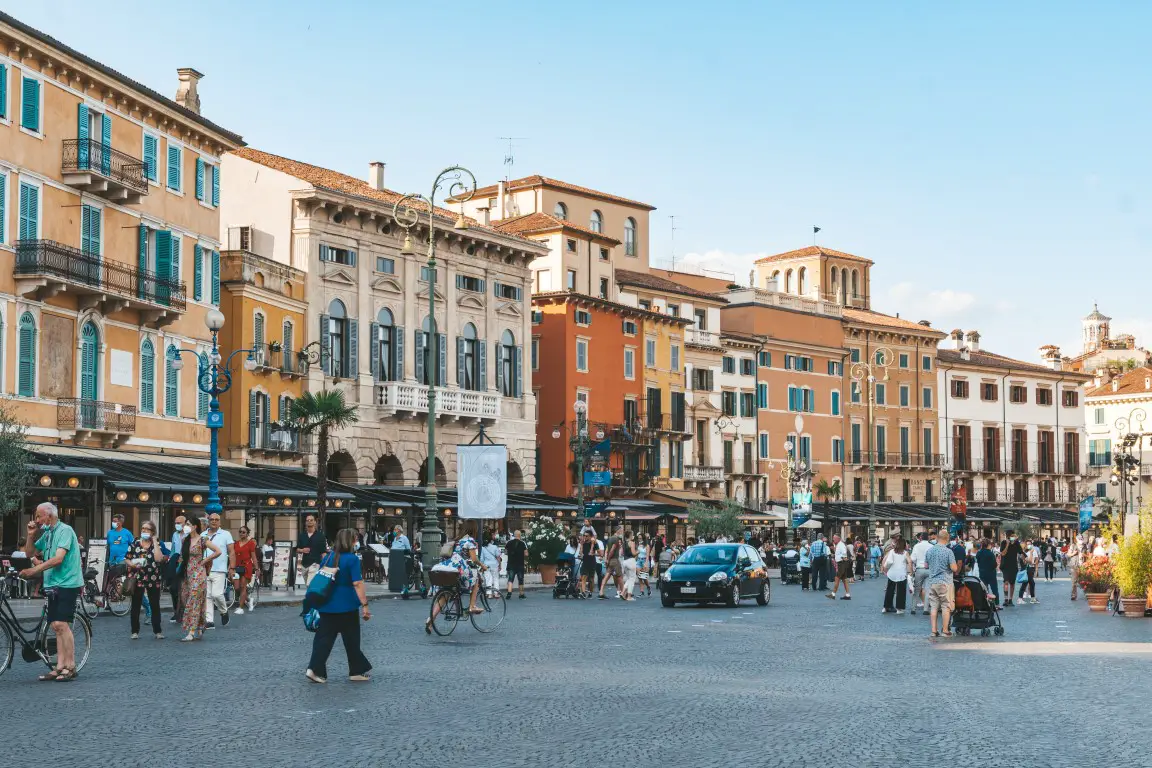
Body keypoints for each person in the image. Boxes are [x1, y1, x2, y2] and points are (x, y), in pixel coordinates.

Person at [20, 502, 83, 681]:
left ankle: (71, 666)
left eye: (39, 516)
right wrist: (31, 536)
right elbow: (29, 553)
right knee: (56, 626)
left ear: (49, 515)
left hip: (67, 583)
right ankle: (60, 666)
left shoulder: (65, 530)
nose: (37, 520)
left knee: (62, 625)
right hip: (52, 583)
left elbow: (58, 559)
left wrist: (34, 571)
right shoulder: (47, 533)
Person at [306, 528, 372, 684]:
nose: (356, 542)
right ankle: (356, 670)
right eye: (355, 540)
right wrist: (365, 606)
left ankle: (314, 669)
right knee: (352, 639)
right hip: (347, 605)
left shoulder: (328, 557)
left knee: (323, 639)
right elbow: (357, 583)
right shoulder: (352, 559)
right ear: (350, 541)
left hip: (327, 604)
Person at [424, 522, 486, 633]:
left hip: (449, 567)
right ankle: (472, 606)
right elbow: (474, 559)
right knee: (476, 579)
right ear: (473, 530)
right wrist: (482, 565)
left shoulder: (458, 540)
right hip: (460, 568)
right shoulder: (470, 541)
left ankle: (430, 619)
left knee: (445, 596)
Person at [180, 518, 222, 642]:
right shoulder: (185, 540)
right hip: (188, 573)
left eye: (188, 524)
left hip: (199, 573)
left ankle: (191, 631)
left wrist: (205, 560)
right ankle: (200, 625)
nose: (185, 526)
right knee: (188, 599)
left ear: (195, 526)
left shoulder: (203, 540)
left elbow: (218, 551)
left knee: (193, 600)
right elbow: (183, 557)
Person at [126, 520, 167, 639]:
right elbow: (127, 558)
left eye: (147, 529)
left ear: (152, 532)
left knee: (155, 604)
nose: (143, 530)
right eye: (142, 528)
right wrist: (132, 565)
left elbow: (159, 559)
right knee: (136, 605)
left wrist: (154, 541)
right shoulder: (135, 543)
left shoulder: (157, 543)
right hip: (137, 577)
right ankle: (134, 631)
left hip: (153, 577)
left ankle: (157, 631)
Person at [925, 528, 959, 638]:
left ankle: (933, 631)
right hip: (945, 582)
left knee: (934, 607)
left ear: (938, 538)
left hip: (932, 582)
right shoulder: (949, 552)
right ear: (947, 539)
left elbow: (926, 566)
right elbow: (954, 568)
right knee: (946, 606)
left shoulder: (929, 550)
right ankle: (945, 630)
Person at [203, 513, 235, 628]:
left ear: (220, 522)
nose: (214, 521)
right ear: (208, 521)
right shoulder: (203, 535)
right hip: (205, 569)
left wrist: (232, 567)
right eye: (212, 519)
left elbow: (231, 552)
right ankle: (209, 620)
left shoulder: (226, 534)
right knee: (207, 595)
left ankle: (223, 610)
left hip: (219, 569)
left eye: (217, 520)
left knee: (217, 594)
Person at [881, 537, 912, 614]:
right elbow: (910, 562)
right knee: (901, 591)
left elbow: (886, 560)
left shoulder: (892, 551)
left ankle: (886, 607)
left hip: (892, 573)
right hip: (901, 574)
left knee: (889, 590)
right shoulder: (905, 553)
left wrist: (884, 568)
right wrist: (910, 571)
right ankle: (899, 609)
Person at [232, 525, 258, 614]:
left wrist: (257, 568)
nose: (241, 533)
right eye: (240, 532)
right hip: (237, 567)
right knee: (236, 587)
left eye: (243, 532)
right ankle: (249, 599)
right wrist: (230, 568)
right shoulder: (235, 544)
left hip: (247, 567)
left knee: (243, 586)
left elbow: (254, 557)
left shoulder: (251, 543)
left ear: (247, 534)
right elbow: (233, 557)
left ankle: (240, 608)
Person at [296, 514, 327, 588]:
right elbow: (297, 549)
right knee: (308, 585)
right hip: (304, 564)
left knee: (309, 584)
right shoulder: (302, 535)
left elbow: (323, 552)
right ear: (305, 523)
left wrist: (325, 564)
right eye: (307, 520)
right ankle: (311, 597)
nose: (309, 521)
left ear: (315, 522)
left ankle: (311, 598)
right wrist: (302, 550)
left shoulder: (320, 536)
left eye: (311, 520)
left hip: (315, 563)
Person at [166, 514, 186, 626]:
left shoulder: (188, 534)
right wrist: (171, 560)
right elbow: (173, 548)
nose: (177, 525)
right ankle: (176, 611)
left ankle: (183, 611)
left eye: (179, 523)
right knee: (173, 589)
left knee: (183, 589)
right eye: (176, 523)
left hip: (185, 564)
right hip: (176, 563)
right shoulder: (175, 534)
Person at [999, 530, 1024, 607]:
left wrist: (1026, 559)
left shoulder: (1016, 543)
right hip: (1005, 565)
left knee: (1012, 584)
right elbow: (1003, 553)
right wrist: (1007, 544)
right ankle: (1006, 600)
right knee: (1006, 582)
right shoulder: (1003, 542)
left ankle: (1010, 600)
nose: (1012, 537)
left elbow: (1021, 552)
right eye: (1011, 536)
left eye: (1013, 536)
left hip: (1013, 566)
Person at [599, 526, 625, 600]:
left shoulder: (610, 538)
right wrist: (608, 558)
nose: (621, 531)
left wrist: (607, 559)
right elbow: (612, 550)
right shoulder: (616, 539)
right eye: (621, 530)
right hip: (614, 560)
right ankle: (623, 593)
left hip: (610, 560)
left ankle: (601, 592)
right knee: (620, 577)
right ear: (618, 530)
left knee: (606, 576)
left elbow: (608, 549)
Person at [910, 532, 933, 615]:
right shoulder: (931, 546)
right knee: (927, 590)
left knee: (917, 589)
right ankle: (926, 609)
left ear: (920, 538)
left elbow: (913, 558)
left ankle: (913, 608)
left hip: (919, 569)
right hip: (929, 569)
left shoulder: (916, 546)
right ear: (928, 538)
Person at [975, 538, 1000, 605]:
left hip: (982, 573)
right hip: (991, 573)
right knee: (994, 589)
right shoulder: (990, 553)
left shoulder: (979, 553)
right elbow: (994, 564)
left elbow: (978, 561)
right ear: (988, 545)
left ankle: (984, 604)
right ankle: (996, 604)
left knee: (984, 589)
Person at [827, 534, 852, 600]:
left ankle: (833, 594)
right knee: (844, 579)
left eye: (834, 538)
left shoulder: (841, 545)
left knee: (837, 578)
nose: (833, 539)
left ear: (838, 539)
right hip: (842, 563)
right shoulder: (839, 545)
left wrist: (842, 560)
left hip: (841, 563)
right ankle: (847, 594)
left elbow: (844, 553)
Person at [504, 529, 528, 600]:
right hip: (520, 564)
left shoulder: (509, 542)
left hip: (511, 564)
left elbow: (505, 552)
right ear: (520, 535)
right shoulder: (523, 543)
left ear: (514, 535)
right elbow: (526, 553)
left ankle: (509, 593)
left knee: (510, 579)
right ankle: (521, 594)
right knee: (520, 579)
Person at [1018, 538, 1039, 604]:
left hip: (1029, 569)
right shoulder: (1023, 553)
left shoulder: (1023, 553)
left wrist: (1035, 567)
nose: (1028, 546)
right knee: (1028, 583)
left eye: (1029, 544)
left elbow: (1034, 560)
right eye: (1026, 544)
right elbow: (1029, 561)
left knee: (1028, 584)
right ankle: (1021, 598)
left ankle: (1029, 598)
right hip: (1027, 569)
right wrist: (1031, 553)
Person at [619, 530, 638, 601]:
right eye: (632, 534)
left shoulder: (624, 543)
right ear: (630, 535)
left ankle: (623, 592)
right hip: (631, 561)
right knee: (632, 579)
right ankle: (629, 596)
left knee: (628, 578)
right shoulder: (631, 543)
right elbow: (633, 553)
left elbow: (621, 553)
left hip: (625, 561)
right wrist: (638, 552)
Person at [579, 531, 599, 597]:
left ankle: (590, 592)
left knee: (591, 579)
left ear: (590, 536)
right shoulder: (583, 543)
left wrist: (593, 554)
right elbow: (581, 553)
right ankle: (583, 592)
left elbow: (600, 553)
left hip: (592, 562)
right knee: (583, 577)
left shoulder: (594, 543)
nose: (585, 537)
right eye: (584, 535)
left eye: (587, 536)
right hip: (584, 562)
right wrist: (581, 547)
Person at [1067, 534, 1083, 601]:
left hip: (1083, 566)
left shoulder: (1084, 546)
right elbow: (1068, 554)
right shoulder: (1073, 546)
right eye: (1079, 539)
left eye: (1081, 539)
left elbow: (1088, 554)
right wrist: (1074, 553)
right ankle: (1073, 595)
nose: (1081, 540)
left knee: (1086, 581)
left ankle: (1088, 594)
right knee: (1074, 582)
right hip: (1074, 566)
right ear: (1077, 539)